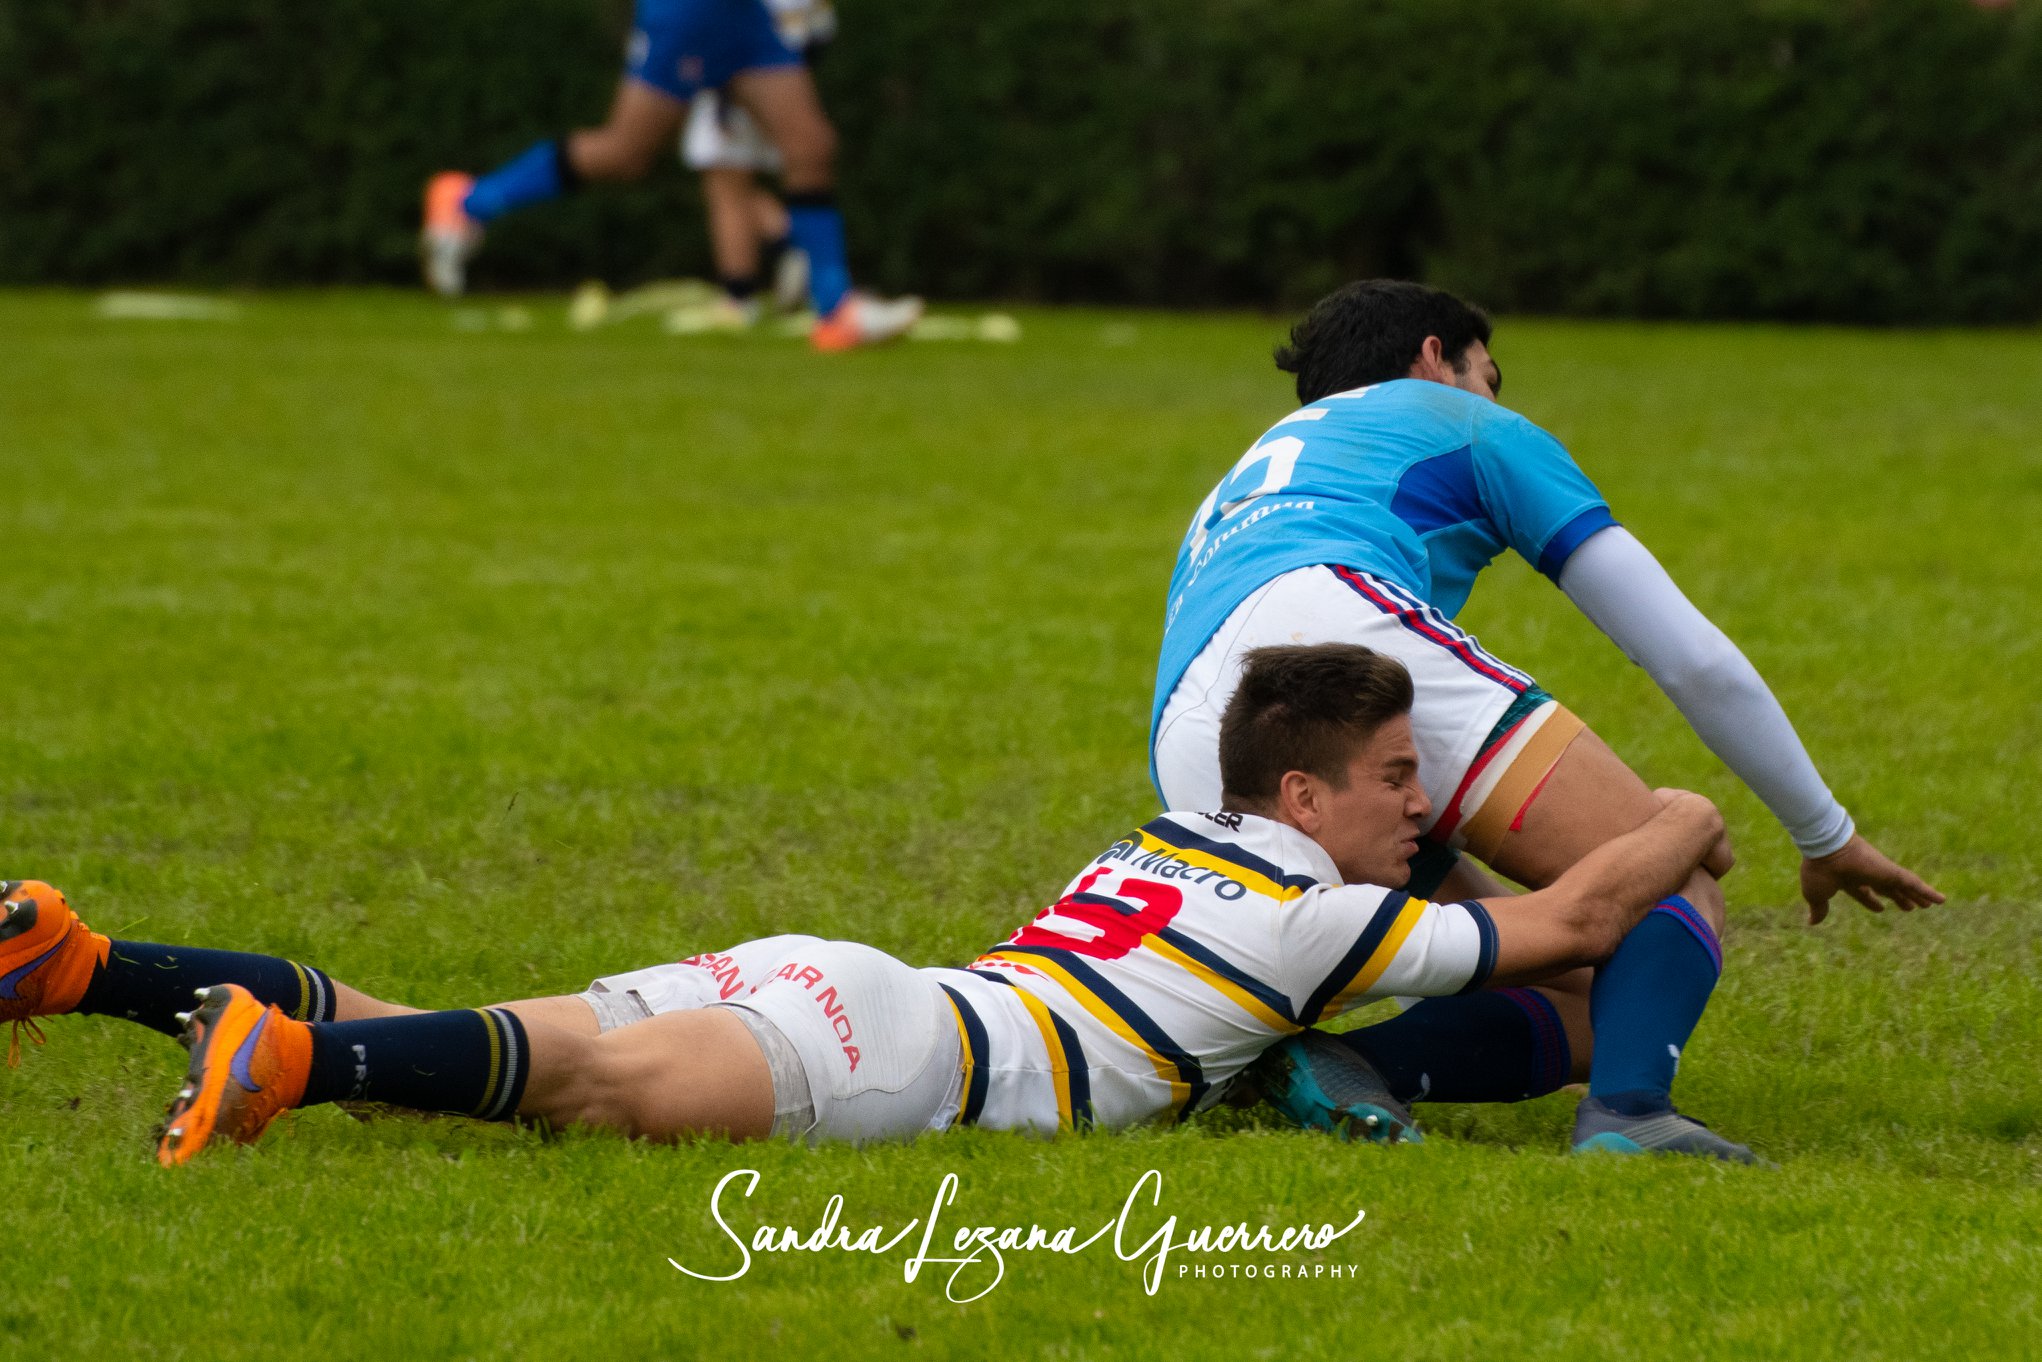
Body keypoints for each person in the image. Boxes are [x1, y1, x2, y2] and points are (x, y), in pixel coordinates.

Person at [0, 645, 1736, 1164]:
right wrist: (1687, 810)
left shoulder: (1167, 839)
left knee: (469, 1035)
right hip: (910, 1053)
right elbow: (1576, 925)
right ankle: (283, 1066)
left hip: (850, 980)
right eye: (1394, 779)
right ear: (1301, 793)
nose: (1421, 810)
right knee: (576, 1087)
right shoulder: (1313, 916)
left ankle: (81, 962)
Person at [1152, 280, 1944, 1156]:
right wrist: (1824, 833)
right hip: (1340, 629)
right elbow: (1692, 658)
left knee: (1585, 991)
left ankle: (1341, 1069)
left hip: (1194, 735)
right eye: (1490, 375)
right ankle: (1631, 1116)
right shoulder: (1461, 421)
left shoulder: (1253, 471)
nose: (1494, 399)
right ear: (1434, 358)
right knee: (1664, 874)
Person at [418, 0, 920, 351]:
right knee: (625, 152)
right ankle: (468, 201)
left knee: (810, 146)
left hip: (745, 16)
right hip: (691, 13)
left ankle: (835, 312)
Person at [678, 0, 835, 328]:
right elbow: (819, 30)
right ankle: (797, 251)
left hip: (747, 78)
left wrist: (725, 90)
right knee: (744, 183)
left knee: (726, 184)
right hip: (789, 77)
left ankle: (741, 295)